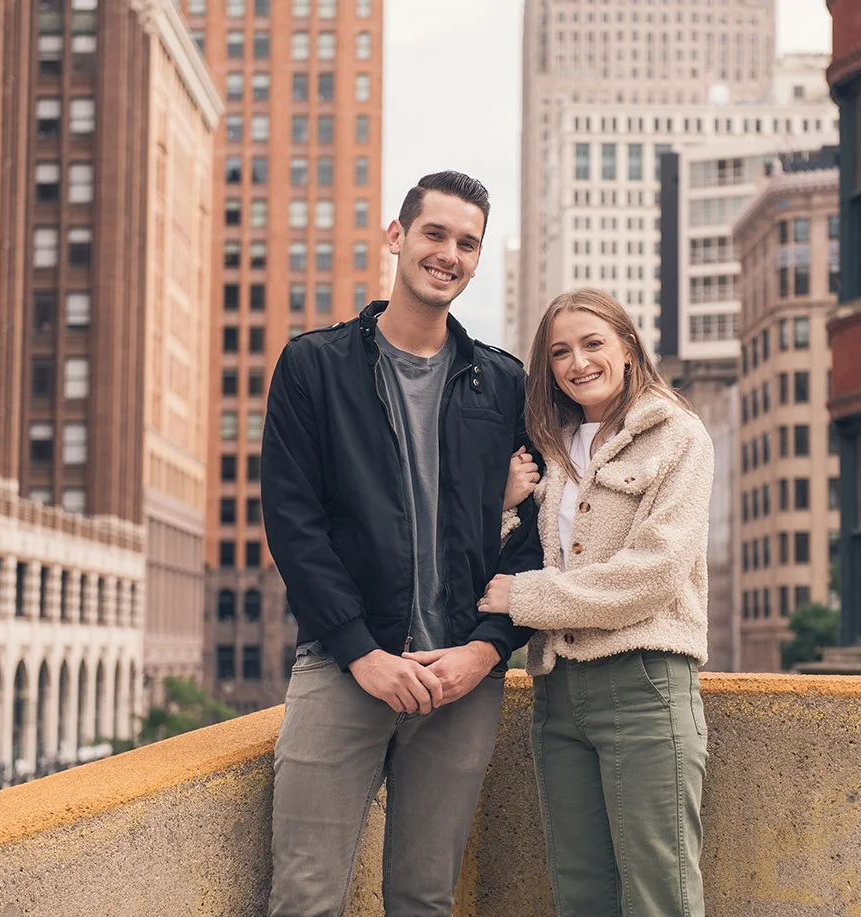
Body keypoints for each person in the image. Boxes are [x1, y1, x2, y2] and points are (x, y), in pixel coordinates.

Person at [261, 170, 541, 917]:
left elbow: (541, 536)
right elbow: (294, 524)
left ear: (477, 259)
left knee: (423, 899)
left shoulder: (503, 384)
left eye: (466, 243)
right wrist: (362, 652)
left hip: (463, 679)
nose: (448, 253)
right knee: (304, 897)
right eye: (435, 233)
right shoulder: (314, 367)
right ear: (397, 236)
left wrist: (484, 649)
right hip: (345, 664)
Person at [478, 287, 714, 917]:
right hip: (556, 692)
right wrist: (503, 506)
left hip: (645, 684)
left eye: (592, 343)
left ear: (628, 347)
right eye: (560, 352)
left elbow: (653, 574)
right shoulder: (547, 446)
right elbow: (515, 553)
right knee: (579, 890)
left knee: (659, 892)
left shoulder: (677, 436)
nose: (577, 362)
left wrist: (524, 598)